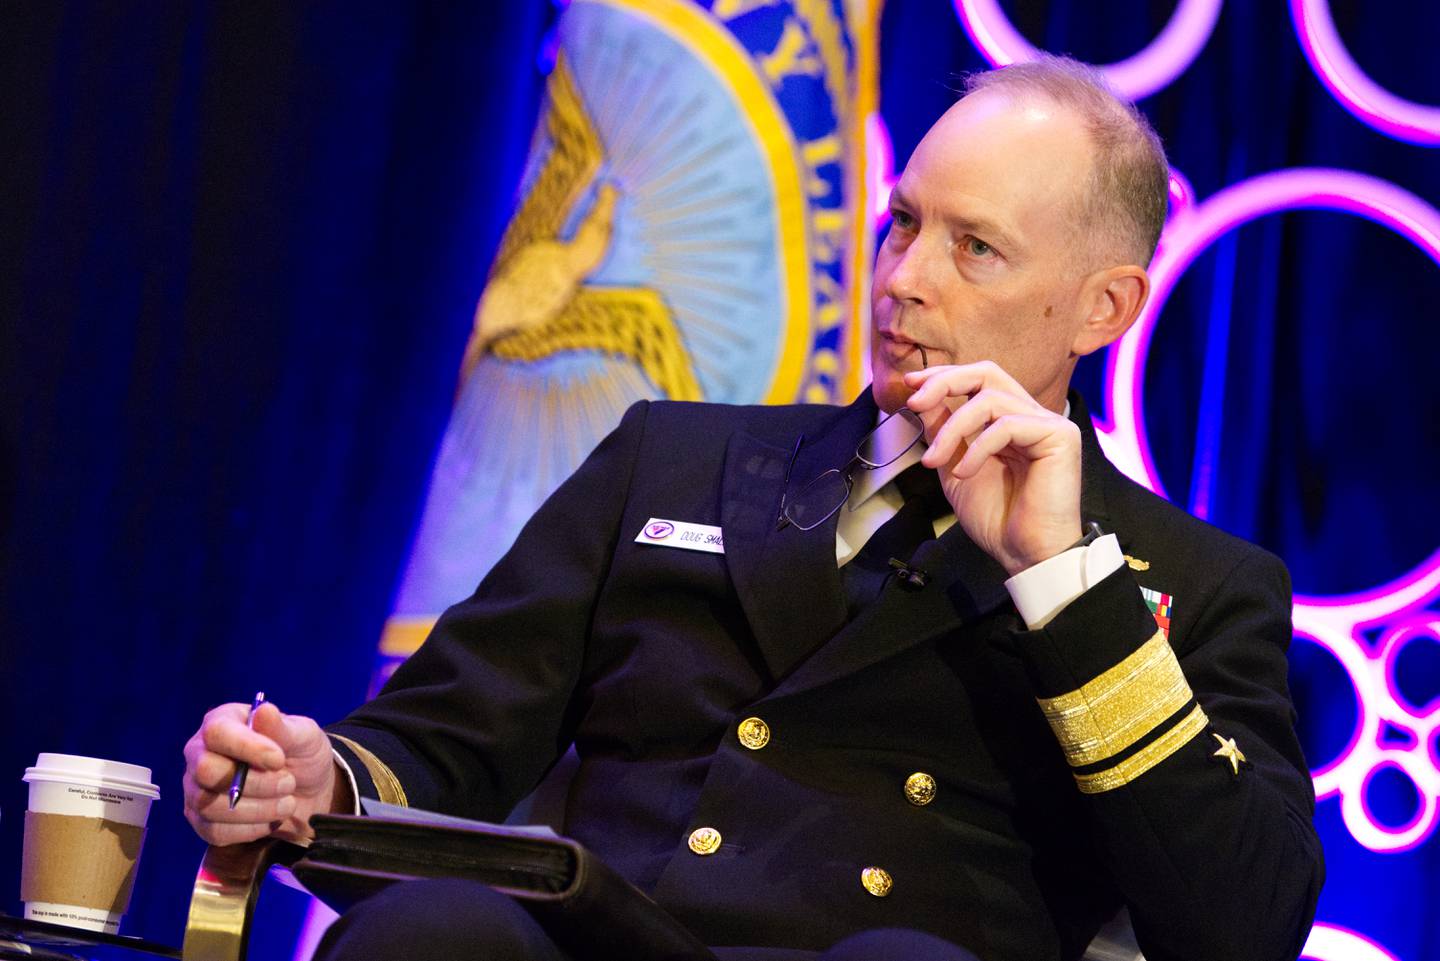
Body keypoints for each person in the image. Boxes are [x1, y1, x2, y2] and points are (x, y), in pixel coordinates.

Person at [182, 56, 1323, 961]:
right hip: (605, 935)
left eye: (974, 249)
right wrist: (310, 776)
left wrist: (1063, 578)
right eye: (903, 223)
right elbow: (444, 738)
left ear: (1102, 309)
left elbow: (1238, 925)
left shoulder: (1192, 583)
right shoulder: (671, 460)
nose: (904, 278)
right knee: (438, 931)